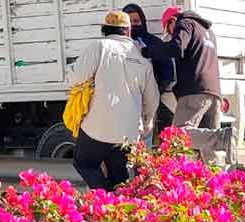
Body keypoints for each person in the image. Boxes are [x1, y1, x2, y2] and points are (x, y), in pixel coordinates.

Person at [66, 10, 158, 192]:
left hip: (98, 128)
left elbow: (76, 78)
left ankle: (104, 195)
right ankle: (117, 208)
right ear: (128, 31)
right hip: (128, 132)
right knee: (120, 177)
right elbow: (152, 98)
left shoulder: (99, 47)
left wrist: (70, 70)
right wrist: (147, 121)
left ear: (104, 30)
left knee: (84, 163)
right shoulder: (142, 58)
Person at [154, 6, 232, 163]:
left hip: (194, 91)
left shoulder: (185, 23)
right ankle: (216, 182)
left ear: (172, 21)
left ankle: (222, 137)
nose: (171, 34)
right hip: (214, 92)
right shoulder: (208, 31)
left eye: (169, 31)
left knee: (176, 137)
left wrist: (150, 50)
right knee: (210, 151)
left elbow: (177, 48)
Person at [123, 3, 177, 144]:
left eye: (136, 21)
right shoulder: (117, 45)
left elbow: (167, 71)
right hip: (124, 100)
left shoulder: (153, 43)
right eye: (129, 22)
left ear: (142, 21)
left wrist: (156, 91)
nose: (133, 25)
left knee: (148, 138)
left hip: (149, 101)